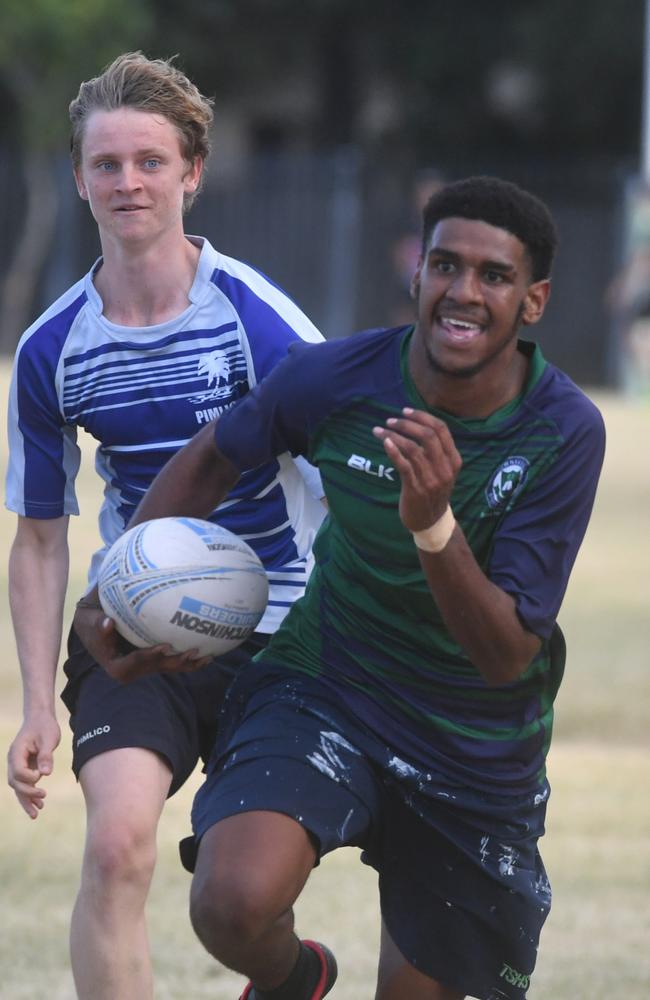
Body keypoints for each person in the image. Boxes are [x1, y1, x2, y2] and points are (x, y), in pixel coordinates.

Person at [75, 176, 606, 1000]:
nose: (463, 292)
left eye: (494, 276)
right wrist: (116, 590)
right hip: (329, 687)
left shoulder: (563, 431)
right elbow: (216, 455)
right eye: (445, 265)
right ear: (417, 275)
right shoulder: (338, 377)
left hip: (474, 744)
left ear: (533, 301)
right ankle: (296, 980)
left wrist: (434, 528)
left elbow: (506, 655)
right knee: (230, 904)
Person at [5, 52, 327, 1000]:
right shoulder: (52, 347)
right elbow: (36, 535)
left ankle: (289, 977)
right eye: (105, 164)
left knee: (242, 894)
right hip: (132, 627)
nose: (127, 182)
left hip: (279, 635)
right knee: (113, 849)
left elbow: (351, 475)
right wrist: (31, 705)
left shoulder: (257, 321)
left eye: (149, 162)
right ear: (78, 179)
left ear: (192, 172)